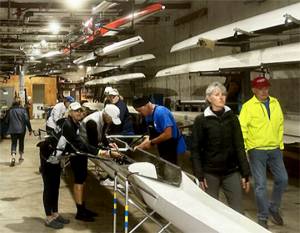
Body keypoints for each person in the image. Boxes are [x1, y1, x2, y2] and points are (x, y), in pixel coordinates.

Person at [54, 102, 121, 222]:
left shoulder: (85, 121)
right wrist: (106, 153)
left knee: (83, 179)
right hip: (77, 153)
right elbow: (90, 144)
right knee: (79, 179)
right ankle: (80, 212)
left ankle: (82, 208)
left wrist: (108, 145)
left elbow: (100, 137)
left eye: (81, 111)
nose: (80, 113)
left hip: (82, 151)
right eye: (76, 111)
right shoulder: (89, 122)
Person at [190, 81, 250, 214]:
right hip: (210, 173)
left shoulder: (233, 118)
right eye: (217, 94)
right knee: (212, 211)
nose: (221, 97)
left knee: (238, 211)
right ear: (209, 98)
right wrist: (199, 175)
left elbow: (239, 145)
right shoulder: (201, 121)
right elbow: (195, 150)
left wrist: (245, 172)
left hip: (231, 171)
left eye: (223, 94)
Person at [239, 76, 288, 229]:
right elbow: (243, 129)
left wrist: (280, 145)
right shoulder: (248, 106)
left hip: (274, 149)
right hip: (257, 150)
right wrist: (247, 149)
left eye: (266, 88)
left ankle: (273, 207)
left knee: (283, 179)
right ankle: (262, 216)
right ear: (254, 90)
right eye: (260, 89)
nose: (264, 91)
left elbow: (280, 123)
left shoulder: (275, 102)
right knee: (260, 185)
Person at [132, 96, 186, 164]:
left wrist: (151, 143)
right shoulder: (148, 116)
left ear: (146, 105)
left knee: (174, 170)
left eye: (139, 111)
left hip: (175, 147)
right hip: (163, 146)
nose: (139, 113)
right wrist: (140, 146)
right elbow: (150, 136)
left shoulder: (160, 112)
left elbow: (168, 134)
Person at [80, 104, 123, 187]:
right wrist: (108, 152)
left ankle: (112, 177)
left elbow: (102, 135)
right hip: (84, 146)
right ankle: (111, 178)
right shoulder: (92, 122)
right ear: (106, 115)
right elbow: (93, 144)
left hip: (92, 143)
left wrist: (108, 144)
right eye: (111, 119)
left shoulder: (104, 119)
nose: (111, 122)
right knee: (81, 176)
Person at [38, 136, 70, 229]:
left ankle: (55, 213)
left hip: (57, 158)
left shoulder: (73, 127)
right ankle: (48, 218)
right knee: (48, 188)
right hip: (48, 154)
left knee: (55, 188)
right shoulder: (65, 126)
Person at [6, 98, 33, 166]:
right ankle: (20, 157)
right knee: (21, 142)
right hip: (21, 130)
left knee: (14, 143)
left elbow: (7, 121)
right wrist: (30, 129)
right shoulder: (23, 110)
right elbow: (27, 120)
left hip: (13, 129)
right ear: (20, 103)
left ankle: (13, 157)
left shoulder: (10, 110)